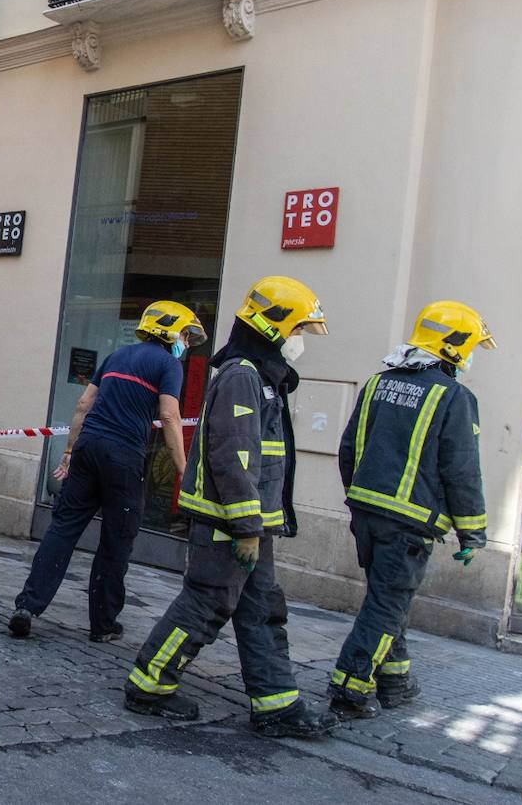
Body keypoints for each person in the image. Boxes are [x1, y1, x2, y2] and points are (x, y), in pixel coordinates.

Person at [123, 276, 338, 739]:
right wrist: (244, 525)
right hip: (230, 524)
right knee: (205, 604)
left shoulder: (259, 377)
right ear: (272, 325)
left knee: (261, 608)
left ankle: (276, 702)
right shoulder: (243, 376)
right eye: (298, 329)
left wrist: (254, 525)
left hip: (248, 523)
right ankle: (149, 683)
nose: (300, 340)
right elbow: (234, 455)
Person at [328, 302, 494, 720]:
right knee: (385, 606)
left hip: (366, 514)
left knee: (386, 600)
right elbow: (461, 470)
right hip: (409, 524)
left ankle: (396, 682)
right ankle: (349, 685)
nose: (472, 357)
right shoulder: (454, 396)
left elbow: (348, 450)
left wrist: (359, 498)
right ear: (452, 347)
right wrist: (473, 532)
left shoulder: (376, 384)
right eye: (470, 346)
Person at [7, 301, 207, 642]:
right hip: (123, 456)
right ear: (172, 332)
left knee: (63, 529)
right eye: (186, 337)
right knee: (116, 541)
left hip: (88, 448)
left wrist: (69, 451)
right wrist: (185, 472)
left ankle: (27, 606)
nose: (186, 345)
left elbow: (84, 405)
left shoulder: (115, 357)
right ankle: (103, 626)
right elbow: (171, 417)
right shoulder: (169, 365)